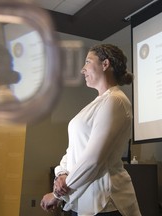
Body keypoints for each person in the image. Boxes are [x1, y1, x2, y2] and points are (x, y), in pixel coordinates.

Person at [40, 44, 141, 216]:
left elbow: (93, 159)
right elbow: (73, 150)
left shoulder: (115, 100)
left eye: (87, 62)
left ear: (105, 64)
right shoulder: (99, 103)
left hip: (105, 202)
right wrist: (62, 173)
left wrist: (58, 193)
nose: (82, 69)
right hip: (84, 199)